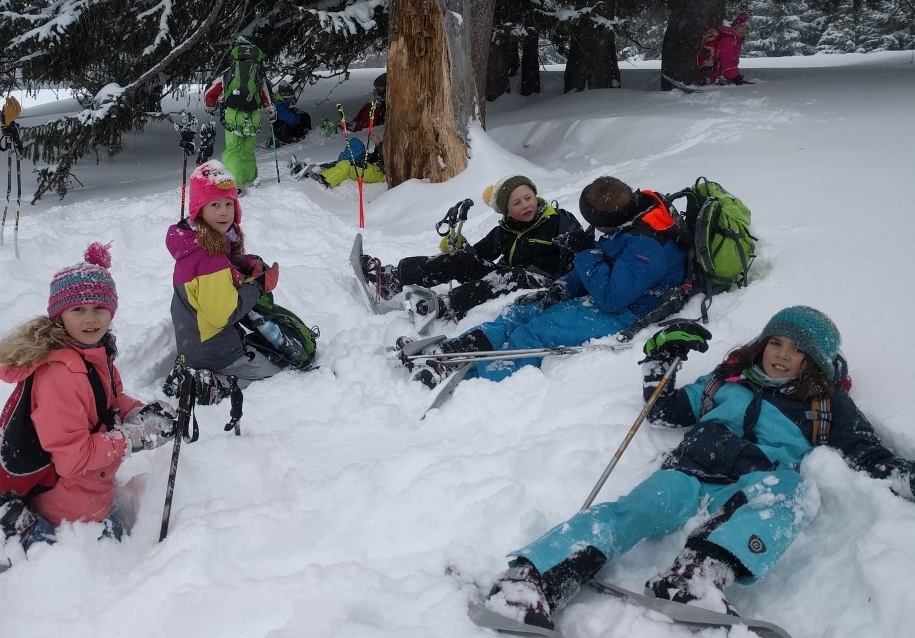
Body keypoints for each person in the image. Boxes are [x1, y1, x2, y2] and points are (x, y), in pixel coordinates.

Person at [483, 307, 915, 629]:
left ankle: (696, 574)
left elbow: (865, 449)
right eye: (776, 343)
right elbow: (665, 410)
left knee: (797, 493)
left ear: (815, 361)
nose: (782, 356)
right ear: (762, 344)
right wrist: (661, 359)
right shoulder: (725, 381)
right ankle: (531, 578)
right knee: (628, 512)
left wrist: (900, 474)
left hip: (751, 484)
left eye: (798, 350)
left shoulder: (825, 403)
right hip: (688, 474)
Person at [407, 176, 686, 387]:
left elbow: (612, 298)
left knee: (536, 331)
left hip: (632, 308)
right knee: (519, 311)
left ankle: (473, 376)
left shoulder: (646, 248)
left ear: (604, 220)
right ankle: (458, 350)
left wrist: (584, 252)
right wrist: (562, 288)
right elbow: (606, 262)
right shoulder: (626, 222)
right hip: (614, 291)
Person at [0, 242, 176, 545]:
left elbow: (110, 399)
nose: (91, 319)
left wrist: (138, 413)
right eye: (78, 310)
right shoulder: (61, 376)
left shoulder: (93, 353)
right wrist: (133, 438)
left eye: (99, 308)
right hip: (68, 516)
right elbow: (72, 459)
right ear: (59, 315)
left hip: (90, 494)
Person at [360, 175, 588, 322]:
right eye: (517, 203)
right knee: (462, 260)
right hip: (505, 277)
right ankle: (392, 278)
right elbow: (476, 257)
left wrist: (565, 284)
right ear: (506, 211)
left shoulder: (558, 221)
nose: (526, 205)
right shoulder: (505, 230)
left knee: (510, 275)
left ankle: (445, 306)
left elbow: (581, 253)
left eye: (528, 198)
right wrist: (457, 247)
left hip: (546, 284)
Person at [164, 160, 286, 397]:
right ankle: (206, 386)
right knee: (276, 375)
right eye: (215, 204)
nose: (224, 212)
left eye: (229, 204)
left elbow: (219, 277)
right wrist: (259, 286)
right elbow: (225, 314)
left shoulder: (198, 244)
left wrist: (243, 264)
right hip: (213, 350)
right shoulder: (210, 259)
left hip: (197, 340)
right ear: (200, 211)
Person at [203, 39, 275, 187]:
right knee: (248, 150)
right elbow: (266, 99)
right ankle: (249, 179)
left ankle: (235, 183)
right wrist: (271, 114)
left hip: (233, 116)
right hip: (253, 116)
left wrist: (211, 106)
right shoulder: (258, 75)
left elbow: (209, 94)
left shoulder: (227, 75)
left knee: (232, 151)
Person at [288, 134, 387, 189]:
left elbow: (387, 156)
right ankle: (314, 171)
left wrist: (379, 143)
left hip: (380, 172)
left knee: (346, 165)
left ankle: (324, 180)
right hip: (372, 165)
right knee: (341, 161)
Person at [703, 12, 753, 86]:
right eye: (741, 26)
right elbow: (727, 61)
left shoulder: (735, 40)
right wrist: (735, 76)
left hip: (723, 77)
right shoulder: (728, 40)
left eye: (746, 28)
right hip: (716, 78)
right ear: (735, 27)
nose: (743, 30)